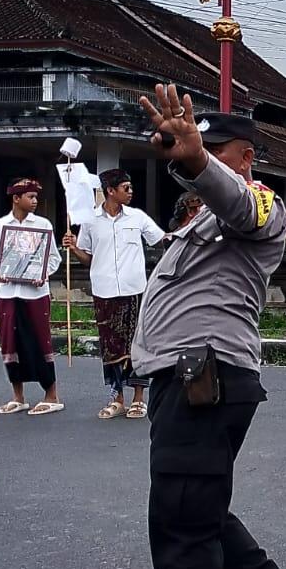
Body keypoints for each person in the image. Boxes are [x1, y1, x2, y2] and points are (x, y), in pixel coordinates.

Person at [116, 90, 286, 569]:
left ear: (245, 158)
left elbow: (235, 196)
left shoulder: (259, 205)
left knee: (180, 520)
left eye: (213, 150)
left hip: (207, 379)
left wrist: (201, 160)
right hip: (184, 380)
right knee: (195, 510)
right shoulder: (197, 222)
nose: (190, 159)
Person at [63, 168, 166, 421]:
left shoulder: (137, 217)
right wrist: (74, 247)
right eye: (126, 188)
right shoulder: (90, 221)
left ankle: (139, 398)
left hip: (134, 290)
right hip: (104, 290)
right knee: (110, 346)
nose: (131, 192)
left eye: (131, 188)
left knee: (137, 344)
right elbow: (88, 258)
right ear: (110, 190)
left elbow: (162, 240)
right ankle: (117, 396)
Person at [0, 178, 63, 417]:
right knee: (10, 343)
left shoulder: (43, 224)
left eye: (36, 197)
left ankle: (51, 395)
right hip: (9, 292)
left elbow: (53, 258)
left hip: (35, 294)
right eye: (30, 197)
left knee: (40, 341)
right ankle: (18, 396)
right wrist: (3, 272)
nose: (34, 201)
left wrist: (42, 274)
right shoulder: (1, 226)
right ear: (16, 199)